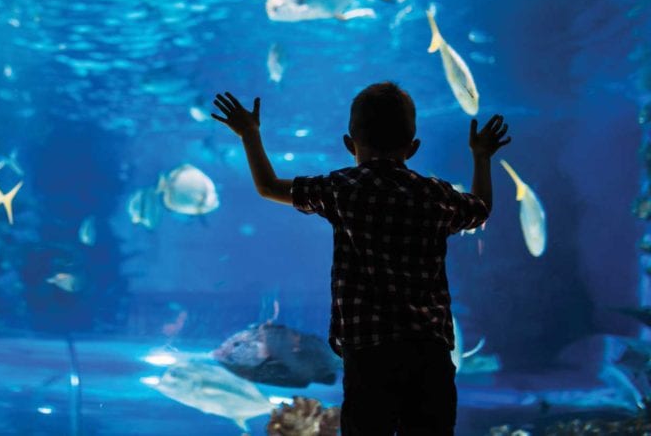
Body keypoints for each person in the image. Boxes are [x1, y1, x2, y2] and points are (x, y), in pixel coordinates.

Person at [211, 82, 510, 435]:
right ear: (413, 147)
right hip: (428, 352)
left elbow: (269, 186)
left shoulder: (342, 189)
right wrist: (481, 157)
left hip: (368, 354)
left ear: (349, 145)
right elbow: (481, 209)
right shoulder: (435, 195)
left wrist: (249, 134)